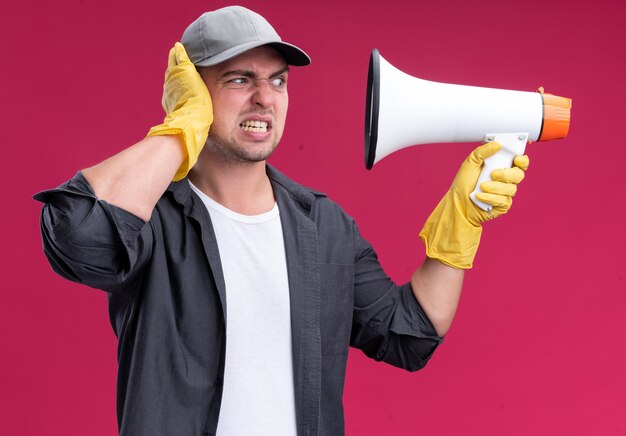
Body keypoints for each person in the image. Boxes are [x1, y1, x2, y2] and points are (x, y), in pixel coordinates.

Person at [34, 6, 529, 436]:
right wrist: (180, 130)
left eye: (277, 80)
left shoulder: (325, 228)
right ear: (192, 93)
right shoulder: (150, 218)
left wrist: (462, 222)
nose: (265, 98)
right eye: (238, 79)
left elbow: (410, 333)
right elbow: (80, 239)